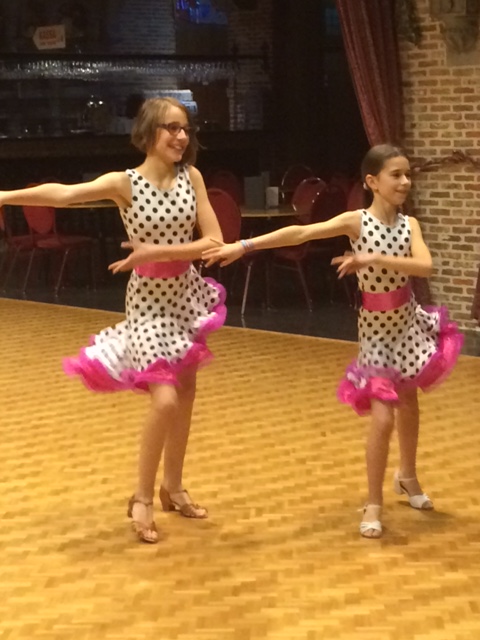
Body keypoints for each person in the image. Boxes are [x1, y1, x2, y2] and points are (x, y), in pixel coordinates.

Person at [201, 144, 464, 539]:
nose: (405, 182)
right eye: (396, 175)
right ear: (372, 181)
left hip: (409, 325)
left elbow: (424, 266)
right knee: (383, 418)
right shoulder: (357, 221)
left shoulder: (410, 225)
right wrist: (244, 245)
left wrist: (373, 259)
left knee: (410, 402)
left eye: (408, 174)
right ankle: (373, 502)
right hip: (376, 334)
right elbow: (302, 231)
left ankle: (407, 476)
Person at [0, 97, 226, 544]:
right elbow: (64, 194)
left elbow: (215, 242)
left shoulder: (192, 177)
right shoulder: (126, 182)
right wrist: (6, 196)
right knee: (164, 400)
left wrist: (156, 251)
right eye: (171, 128)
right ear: (148, 132)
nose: (181, 136)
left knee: (186, 395)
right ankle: (141, 497)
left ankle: (173, 486)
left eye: (185, 128)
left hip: (186, 297)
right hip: (147, 305)